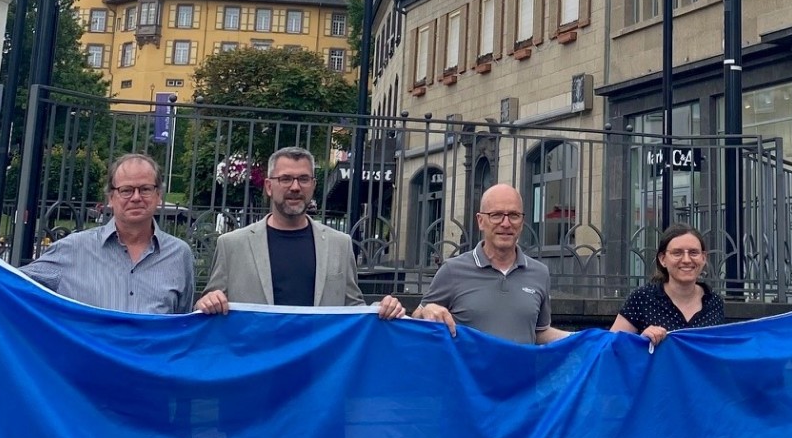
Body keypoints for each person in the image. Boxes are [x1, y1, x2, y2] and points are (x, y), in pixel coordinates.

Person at [0, 152, 194, 313]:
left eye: (145, 189)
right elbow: (6, 282)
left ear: (158, 195)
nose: (136, 197)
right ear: (110, 197)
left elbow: (182, 326)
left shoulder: (179, 255)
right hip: (85, 389)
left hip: (150, 390)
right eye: (126, 190)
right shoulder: (72, 249)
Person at [194, 147, 407, 319]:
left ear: (313, 185)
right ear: (269, 186)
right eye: (285, 179)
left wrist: (381, 309)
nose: (295, 187)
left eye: (303, 179)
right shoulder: (232, 245)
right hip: (256, 365)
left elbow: (353, 309)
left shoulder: (339, 245)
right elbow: (208, 305)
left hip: (318, 367)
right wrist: (208, 301)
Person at [411, 184, 568, 345]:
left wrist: (584, 340)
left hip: (520, 371)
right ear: (480, 221)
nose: (506, 223)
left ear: (522, 222)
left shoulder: (539, 273)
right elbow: (416, 321)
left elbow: (539, 332)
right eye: (496, 215)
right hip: (469, 371)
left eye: (514, 215)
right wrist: (427, 311)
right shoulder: (452, 271)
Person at [611, 224, 724, 345]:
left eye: (693, 252)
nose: (686, 260)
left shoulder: (714, 302)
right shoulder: (642, 298)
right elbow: (610, 346)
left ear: (703, 257)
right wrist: (640, 340)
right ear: (663, 259)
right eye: (677, 253)